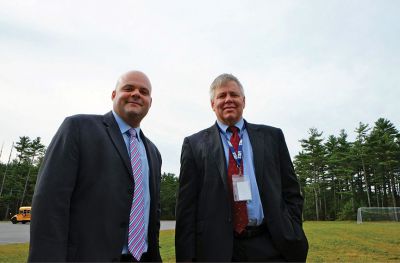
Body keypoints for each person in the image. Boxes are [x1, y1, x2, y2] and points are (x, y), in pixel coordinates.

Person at [28, 70, 162, 262]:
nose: (136, 94)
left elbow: (152, 214)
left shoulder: (153, 152)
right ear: (114, 95)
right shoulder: (78, 128)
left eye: (144, 91)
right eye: (128, 88)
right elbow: (49, 203)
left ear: (150, 101)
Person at [175, 73, 308, 262]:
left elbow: (291, 190)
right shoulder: (194, 144)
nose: (228, 99)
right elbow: (186, 208)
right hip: (217, 249)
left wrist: (292, 226)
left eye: (234, 94)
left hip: (270, 244)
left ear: (244, 101)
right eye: (221, 96)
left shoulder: (272, 137)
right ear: (213, 104)